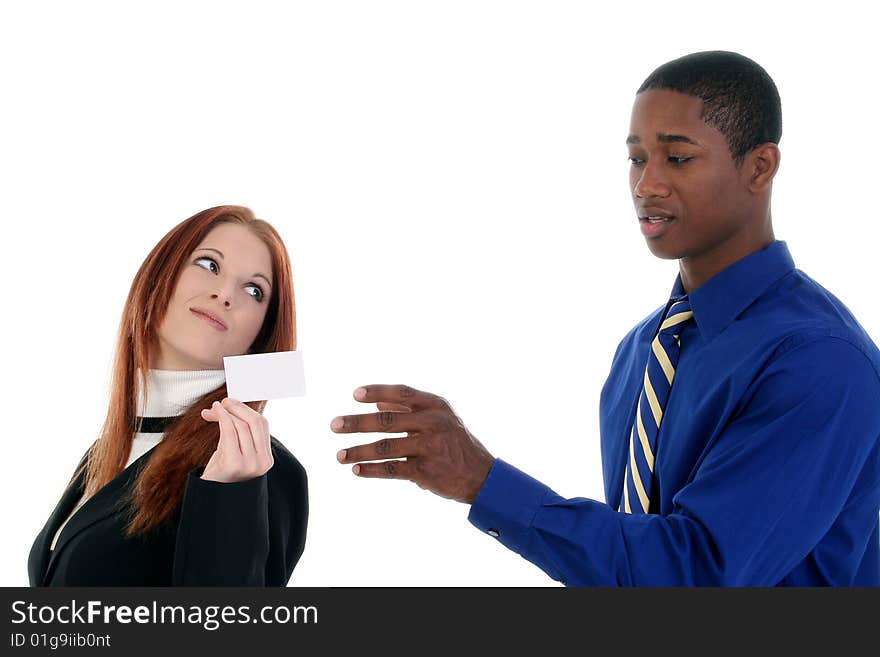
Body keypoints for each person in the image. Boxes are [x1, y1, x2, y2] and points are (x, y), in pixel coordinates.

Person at [330, 51, 880, 586]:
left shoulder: (819, 360)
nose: (647, 186)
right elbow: (631, 565)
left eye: (678, 158)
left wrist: (484, 481)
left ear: (759, 166)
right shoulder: (643, 348)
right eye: (637, 158)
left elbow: (698, 579)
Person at [28, 205, 308, 586]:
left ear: (261, 336)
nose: (225, 294)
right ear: (161, 274)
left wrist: (229, 501)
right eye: (209, 265)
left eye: (254, 290)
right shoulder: (100, 455)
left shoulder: (264, 469)